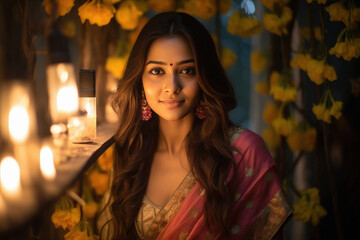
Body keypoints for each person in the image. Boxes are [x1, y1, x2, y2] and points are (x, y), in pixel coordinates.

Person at [97, 11, 293, 240]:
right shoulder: (131, 152)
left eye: (186, 70)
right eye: (157, 71)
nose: (172, 86)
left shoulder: (243, 153)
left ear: (204, 76)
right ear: (140, 78)